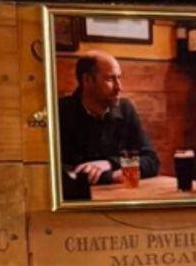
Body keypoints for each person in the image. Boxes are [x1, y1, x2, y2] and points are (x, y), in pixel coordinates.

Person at [56, 50, 158, 197]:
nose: (119, 87)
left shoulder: (125, 109)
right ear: (87, 80)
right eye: (110, 79)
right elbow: (65, 172)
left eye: (119, 78)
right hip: (80, 205)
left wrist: (110, 163)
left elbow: (151, 162)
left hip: (123, 199)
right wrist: (111, 176)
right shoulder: (62, 112)